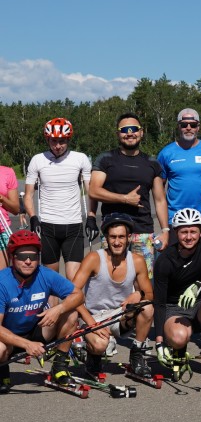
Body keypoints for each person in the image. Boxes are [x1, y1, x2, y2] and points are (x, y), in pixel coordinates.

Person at [72, 213, 154, 378]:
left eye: (121, 237)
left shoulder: (137, 261)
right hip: (93, 317)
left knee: (147, 307)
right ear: (106, 238)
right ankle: (93, 358)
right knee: (101, 345)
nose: (117, 242)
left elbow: (150, 294)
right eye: (113, 237)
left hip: (119, 316)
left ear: (129, 238)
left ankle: (136, 354)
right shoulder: (94, 258)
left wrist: (139, 293)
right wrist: (90, 323)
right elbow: (72, 292)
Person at [0, 230, 84, 392]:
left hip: (36, 329)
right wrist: (27, 344)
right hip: (8, 337)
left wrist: (58, 309)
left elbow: (78, 295)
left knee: (71, 313)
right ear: (12, 257)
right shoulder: (2, 282)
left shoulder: (45, 274)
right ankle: (2, 369)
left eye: (34, 256)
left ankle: (59, 366)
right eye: (22, 256)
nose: (28, 261)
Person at [89, 113, 169, 279]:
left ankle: (144, 305)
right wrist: (125, 198)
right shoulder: (106, 159)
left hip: (143, 232)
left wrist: (166, 230)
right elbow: (94, 191)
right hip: (113, 231)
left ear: (141, 132)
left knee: (144, 282)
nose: (130, 133)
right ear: (118, 134)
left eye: (134, 129)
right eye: (125, 130)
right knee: (113, 279)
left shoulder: (152, 163)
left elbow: (160, 200)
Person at [153, 208, 201, 380]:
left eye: (193, 231)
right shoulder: (165, 260)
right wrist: (159, 343)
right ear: (175, 233)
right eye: (183, 232)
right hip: (175, 308)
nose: (188, 237)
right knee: (179, 338)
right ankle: (178, 350)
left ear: (200, 232)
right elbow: (159, 303)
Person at [24, 118, 94, 280]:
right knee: (51, 280)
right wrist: (33, 217)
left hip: (73, 226)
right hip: (48, 226)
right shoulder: (37, 160)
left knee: (74, 281)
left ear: (68, 139)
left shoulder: (80, 158)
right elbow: (28, 195)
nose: (57, 146)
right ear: (47, 139)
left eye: (62, 141)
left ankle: (72, 306)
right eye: (54, 141)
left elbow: (91, 191)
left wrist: (91, 216)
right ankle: (53, 306)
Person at [157, 108, 201, 240]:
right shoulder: (166, 153)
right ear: (178, 126)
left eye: (192, 125)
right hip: (175, 218)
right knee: (176, 260)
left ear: (198, 127)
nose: (188, 128)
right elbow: (159, 190)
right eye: (184, 124)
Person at [0, 164, 19, 269]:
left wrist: (1, 198)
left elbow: (15, 209)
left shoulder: (7, 172)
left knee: (2, 278)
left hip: (1, 230)